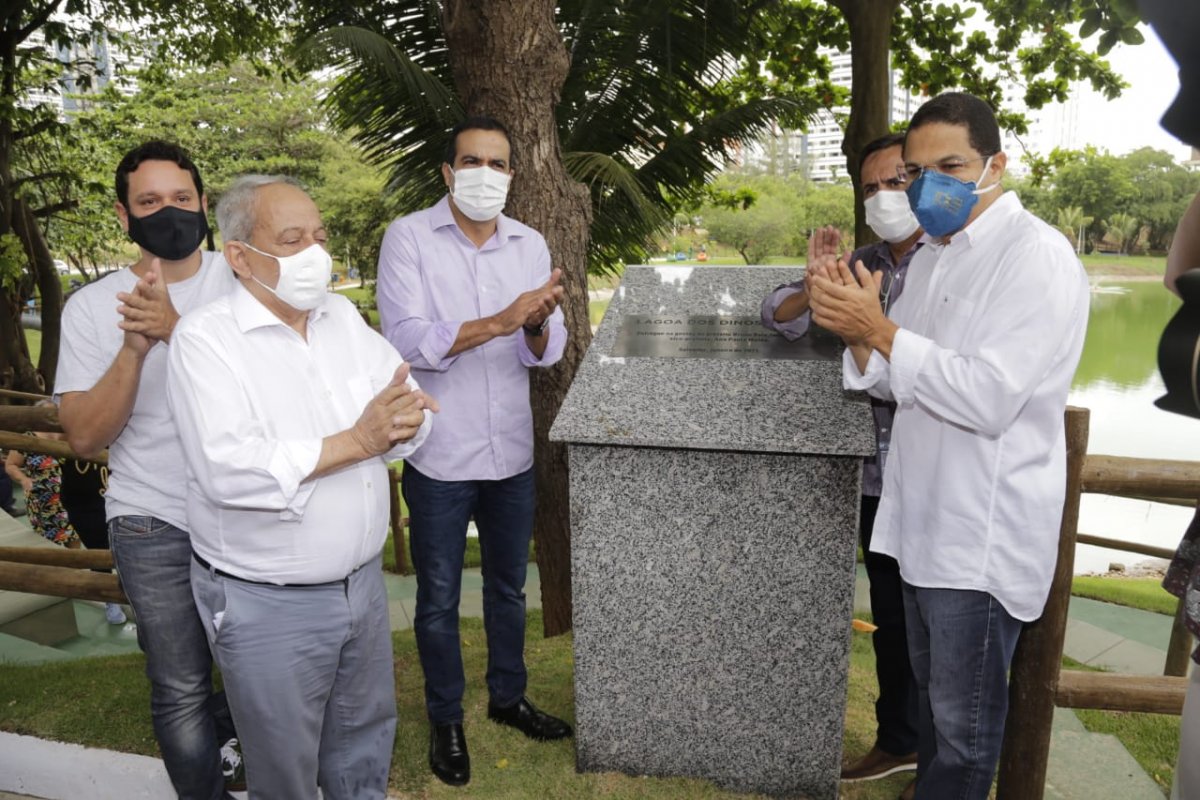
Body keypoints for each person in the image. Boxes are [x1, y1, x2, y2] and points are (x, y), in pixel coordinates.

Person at [807, 92, 1090, 800]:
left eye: (950, 165)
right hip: (921, 527)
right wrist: (854, 325)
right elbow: (893, 377)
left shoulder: (1036, 259)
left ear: (995, 164)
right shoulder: (934, 257)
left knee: (963, 741)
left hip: (979, 541)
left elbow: (989, 397)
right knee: (935, 712)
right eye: (915, 169)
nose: (929, 184)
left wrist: (879, 332)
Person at [167, 175, 434, 799]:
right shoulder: (205, 341)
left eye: (319, 236)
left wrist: (406, 421)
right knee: (284, 770)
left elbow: (401, 407)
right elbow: (227, 467)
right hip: (267, 603)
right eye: (291, 239)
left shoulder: (341, 316)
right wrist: (359, 441)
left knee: (364, 747)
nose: (316, 253)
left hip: (361, 588)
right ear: (239, 256)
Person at [376, 115, 571, 787]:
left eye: (498, 163)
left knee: (509, 588)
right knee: (436, 596)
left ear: (513, 176)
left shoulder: (529, 243)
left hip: (510, 451)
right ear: (447, 171)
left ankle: (509, 697)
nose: (485, 174)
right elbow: (405, 340)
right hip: (438, 452)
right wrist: (502, 319)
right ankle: (446, 718)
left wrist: (537, 325)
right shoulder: (408, 238)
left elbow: (547, 351)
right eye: (472, 161)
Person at [55, 140, 241, 799]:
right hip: (150, 519)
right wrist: (134, 347)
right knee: (179, 682)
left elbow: (266, 396)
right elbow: (83, 435)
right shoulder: (90, 307)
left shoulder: (245, 279)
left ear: (204, 203)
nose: (169, 212)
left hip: (245, 513)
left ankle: (249, 749)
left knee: (263, 672)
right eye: (150, 201)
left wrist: (176, 329)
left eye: (182, 199)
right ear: (123, 214)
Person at [761, 131, 922, 791]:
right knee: (890, 619)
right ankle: (899, 740)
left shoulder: (951, 262)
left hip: (939, 477)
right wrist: (810, 287)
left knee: (940, 630)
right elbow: (778, 317)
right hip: (876, 477)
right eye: (873, 187)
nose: (885, 197)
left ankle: (947, 757)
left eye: (900, 181)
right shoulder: (863, 261)